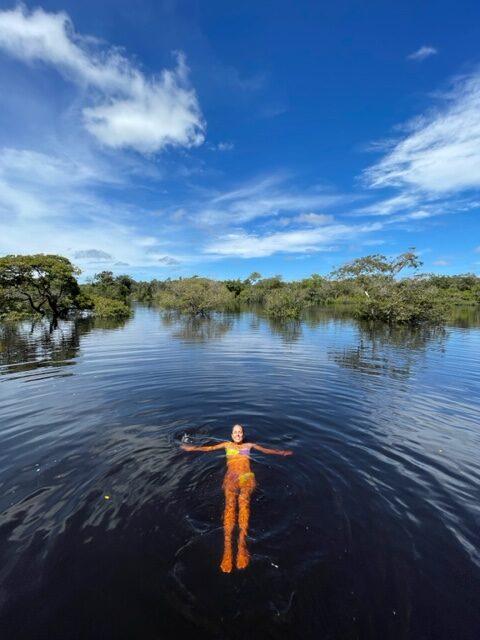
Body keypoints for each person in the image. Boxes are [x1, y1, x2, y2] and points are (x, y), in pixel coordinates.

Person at [181, 423, 293, 573]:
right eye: (235, 432)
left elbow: (267, 450)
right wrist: (191, 448)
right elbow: (208, 448)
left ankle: (241, 544)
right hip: (231, 478)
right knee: (230, 506)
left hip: (247, 478)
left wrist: (282, 452)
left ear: (243, 434)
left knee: (244, 504)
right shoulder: (227, 445)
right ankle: (227, 548)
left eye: (240, 432)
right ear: (232, 435)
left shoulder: (250, 445)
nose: (238, 434)